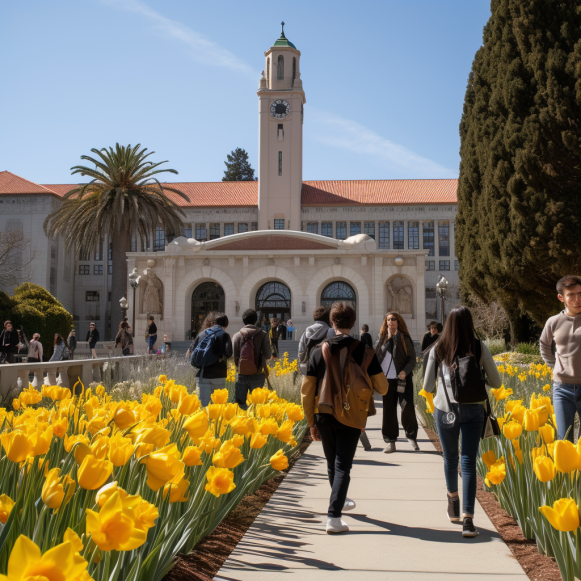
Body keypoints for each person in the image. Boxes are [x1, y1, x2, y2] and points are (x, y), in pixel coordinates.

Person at [302, 302, 389, 534]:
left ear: (332, 323)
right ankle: (334, 516)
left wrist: (311, 422)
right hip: (352, 413)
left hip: (323, 412)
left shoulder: (317, 351)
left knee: (333, 464)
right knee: (343, 467)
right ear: (353, 323)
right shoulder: (364, 351)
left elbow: (306, 392)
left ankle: (339, 503)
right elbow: (383, 387)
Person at [423, 306, 501, 538]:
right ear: (470, 323)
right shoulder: (478, 347)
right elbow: (496, 382)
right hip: (474, 410)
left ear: (447, 324)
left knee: (450, 458)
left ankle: (453, 505)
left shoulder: (438, 348)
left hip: (445, 409)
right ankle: (469, 519)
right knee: (468, 461)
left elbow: (427, 387)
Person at [540, 274, 581, 441]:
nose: (577, 299)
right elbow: (544, 346)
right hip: (562, 389)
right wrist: (555, 366)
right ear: (561, 298)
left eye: (580, 293)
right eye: (571, 295)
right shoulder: (553, 322)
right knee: (564, 440)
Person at [375, 312, 418, 453]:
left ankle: (411, 436)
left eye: (393, 319)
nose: (391, 321)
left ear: (398, 322)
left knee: (407, 407)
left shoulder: (404, 338)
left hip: (402, 380)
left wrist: (405, 371)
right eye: (388, 320)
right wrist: (387, 339)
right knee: (388, 411)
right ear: (385, 323)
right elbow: (376, 357)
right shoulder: (382, 339)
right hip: (387, 380)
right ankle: (390, 442)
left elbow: (412, 358)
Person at [232, 309, 272, 409]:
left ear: (243, 320)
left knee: (240, 405)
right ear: (256, 320)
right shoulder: (263, 334)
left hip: (241, 374)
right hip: (258, 374)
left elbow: (234, 356)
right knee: (257, 405)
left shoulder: (237, 336)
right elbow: (268, 355)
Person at [190, 312, 233, 406]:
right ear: (226, 324)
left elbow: (192, 352)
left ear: (213, 322)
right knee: (217, 406)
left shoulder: (202, 334)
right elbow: (229, 354)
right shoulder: (224, 335)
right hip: (218, 375)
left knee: (203, 407)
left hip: (202, 375)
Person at [298, 307, 336, 375]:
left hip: (309, 367)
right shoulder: (331, 331)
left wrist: (302, 369)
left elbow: (301, 351)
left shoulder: (307, 331)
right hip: (325, 369)